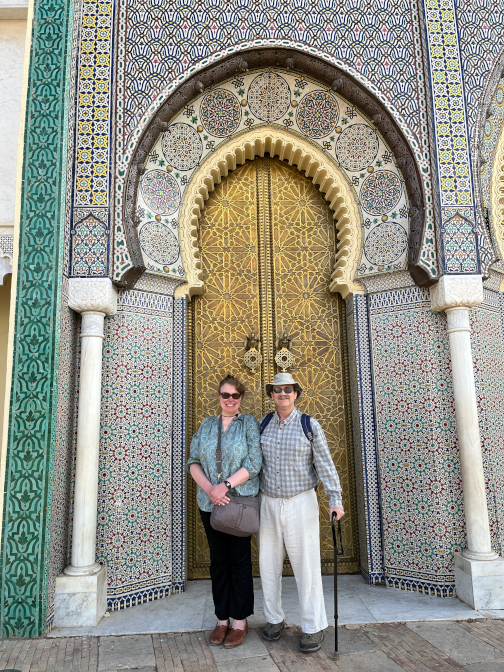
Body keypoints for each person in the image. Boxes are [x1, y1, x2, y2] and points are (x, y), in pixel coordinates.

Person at [258, 372, 345, 652]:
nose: (282, 394)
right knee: (268, 566)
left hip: (300, 502)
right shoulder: (262, 425)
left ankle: (313, 626)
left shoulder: (310, 425)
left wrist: (335, 499)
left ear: (296, 394)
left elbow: (325, 464)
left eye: (288, 390)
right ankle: (273, 620)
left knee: (306, 566)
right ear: (271, 394)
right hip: (268, 502)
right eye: (277, 390)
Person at [187, 374, 262, 648]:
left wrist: (226, 486)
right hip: (210, 504)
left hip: (239, 503)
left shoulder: (249, 424)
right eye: (225, 395)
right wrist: (211, 489)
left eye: (235, 396)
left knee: (239, 561)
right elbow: (193, 461)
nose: (230, 400)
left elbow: (255, 462)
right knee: (218, 561)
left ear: (241, 398)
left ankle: (240, 621)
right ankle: (222, 619)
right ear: (218, 397)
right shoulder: (207, 425)